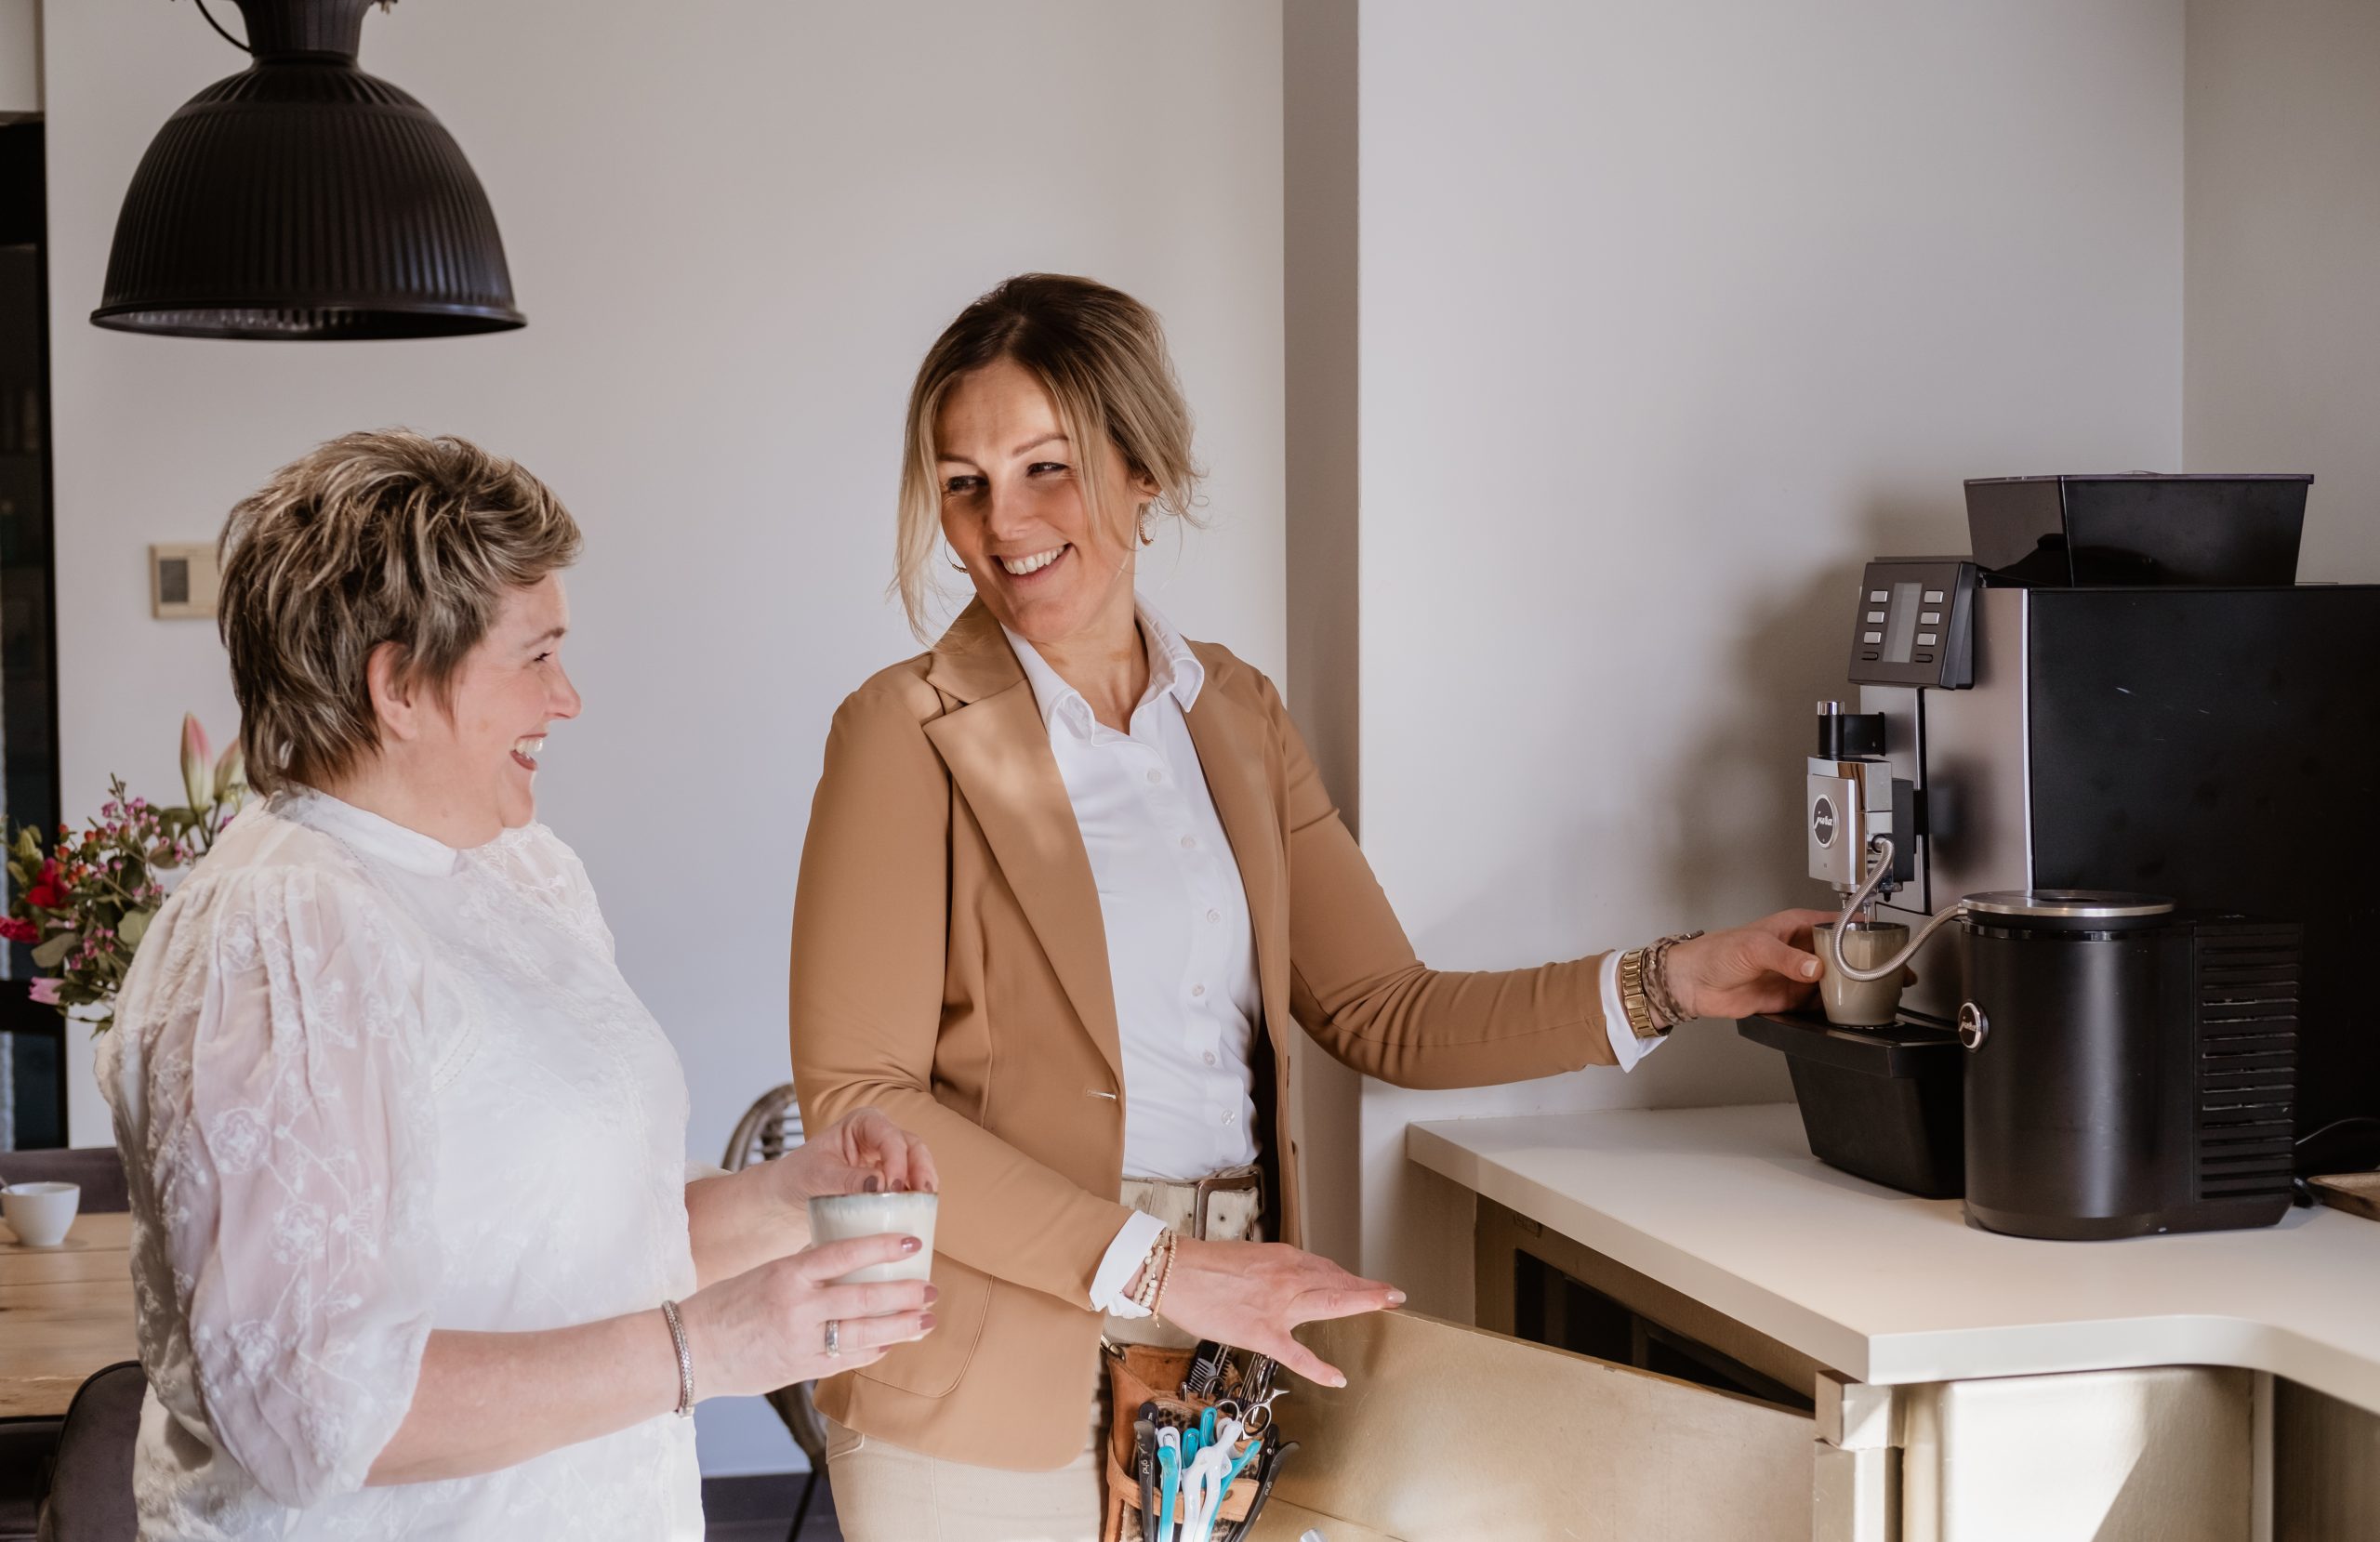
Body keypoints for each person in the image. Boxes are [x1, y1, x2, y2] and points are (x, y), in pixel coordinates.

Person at [787, 273, 1834, 1540]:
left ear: (1142, 471)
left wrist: (1672, 978)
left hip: (1222, 1346)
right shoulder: (901, 732)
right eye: (965, 482)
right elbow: (864, 1097)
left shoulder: (1235, 714)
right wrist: (1159, 1264)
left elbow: (1383, 1009)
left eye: (1046, 466)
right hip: (983, 1374)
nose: (1003, 521)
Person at [98, 430, 939, 1541]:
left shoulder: (518, 873)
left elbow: (577, 1240)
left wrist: (786, 1202)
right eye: (534, 657)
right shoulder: (282, 929)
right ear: (397, 685)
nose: (570, 698)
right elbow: (309, 1410)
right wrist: (709, 1348)